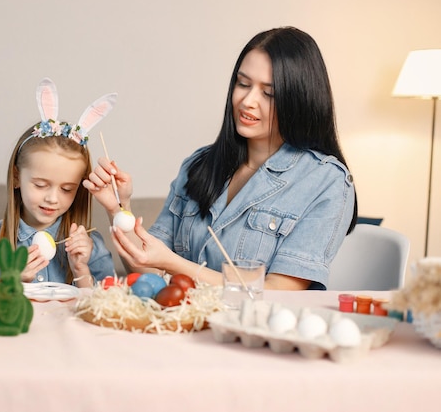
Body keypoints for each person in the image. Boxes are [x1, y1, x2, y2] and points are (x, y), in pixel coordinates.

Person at [84, 27, 357, 290]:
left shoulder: (327, 181)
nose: (248, 100)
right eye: (243, 84)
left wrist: (175, 265)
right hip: (182, 331)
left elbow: (278, 291)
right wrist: (118, 208)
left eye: (268, 93)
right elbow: (147, 267)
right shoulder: (199, 164)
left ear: (299, 100)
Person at [0, 78, 117, 287]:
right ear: (17, 177)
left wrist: (81, 269)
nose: (52, 198)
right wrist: (13, 281)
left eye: (66, 189)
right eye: (40, 185)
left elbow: (103, 310)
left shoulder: (90, 246)